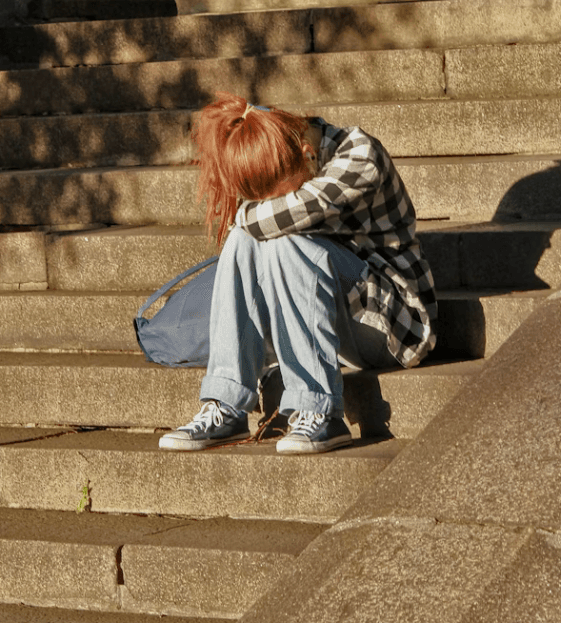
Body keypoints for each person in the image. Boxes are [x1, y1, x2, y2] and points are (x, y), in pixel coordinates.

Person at [158, 94, 437, 455]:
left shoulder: (359, 155)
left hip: (394, 326)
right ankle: (226, 402)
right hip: (335, 323)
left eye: (280, 194)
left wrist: (244, 217)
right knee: (250, 240)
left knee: (277, 238)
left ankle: (319, 410)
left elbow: (284, 214)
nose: (272, 203)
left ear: (307, 153)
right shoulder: (290, 157)